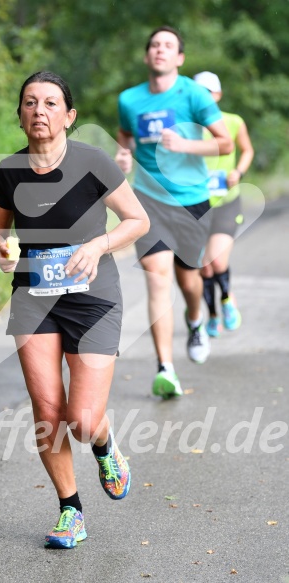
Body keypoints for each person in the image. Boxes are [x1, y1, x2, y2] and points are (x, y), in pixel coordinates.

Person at [0, 71, 149, 549]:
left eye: (51, 103)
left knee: (81, 417)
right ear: (20, 115)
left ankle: (103, 444)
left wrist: (98, 245)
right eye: (30, 103)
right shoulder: (9, 170)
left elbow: (138, 221)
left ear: (69, 116)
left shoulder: (93, 162)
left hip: (93, 297)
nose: (40, 111)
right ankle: (70, 511)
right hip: (33, 296)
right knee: (47, 410)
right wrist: (0, 248)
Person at [116, 26, 233, 399]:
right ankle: (165, 367)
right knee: (157, 277)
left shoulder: (194, 94)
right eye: (154, 45)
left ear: (179, 58)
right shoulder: (129, 99)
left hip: (191, 199)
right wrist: (123, 156)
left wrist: (185, 144)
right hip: (148, 200)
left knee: (189, 280)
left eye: (168, 45)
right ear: (146, 55)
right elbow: (126, 141)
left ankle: (196, 319)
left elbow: (224, 142)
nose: (160, 50)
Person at [193, 71, 254, 337]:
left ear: (217, 95)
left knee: (216, 261)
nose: (203, 97)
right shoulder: (186, 128)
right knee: (203, 266)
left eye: (208, 92)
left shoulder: (232, 121)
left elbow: (247, 150)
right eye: (198, 92)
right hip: (196, 205)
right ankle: (213, 315)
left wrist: (238, 172)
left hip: (226, 202)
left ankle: (228, 299)